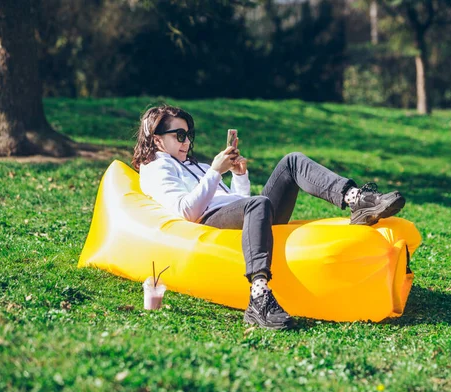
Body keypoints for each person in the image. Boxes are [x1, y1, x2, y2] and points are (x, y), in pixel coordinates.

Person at [131, 105, 405, 330]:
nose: (187, 141)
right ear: (157, 139)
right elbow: (187, 211)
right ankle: (259, 297)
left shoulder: (195, 165)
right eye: (179, 135)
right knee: (258, 204)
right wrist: (215, 172)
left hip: (240, 213)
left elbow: (240, 201)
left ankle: (358, 200)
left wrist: (238, 176)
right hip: (208, 221)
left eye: (189, 135)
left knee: (292, 161)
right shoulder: (155, 168)